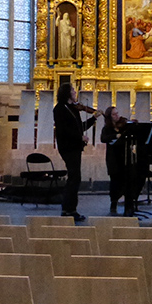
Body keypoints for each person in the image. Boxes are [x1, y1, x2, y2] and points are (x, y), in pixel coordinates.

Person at [52, 83, 97, 221]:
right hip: (68, 147)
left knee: (75, 177)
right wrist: (80, 137)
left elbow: (79, 127)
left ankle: (69, 208)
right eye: (72, 90)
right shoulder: (59, 109)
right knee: (74, 177)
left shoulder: (73, 108)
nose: (74, 92)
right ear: (66, 93)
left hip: (75, 146)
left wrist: (94, 118)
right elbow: (63, 130)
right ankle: (69, 209)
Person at [99, 106, 137, 216]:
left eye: (117, 113)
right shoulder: (107, 128)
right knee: (115, 182)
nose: (117, 116)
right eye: (114, 114)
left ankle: (129, 205)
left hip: (125, 157)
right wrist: (116, 135)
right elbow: (103, 138)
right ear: (109, 117)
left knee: (128, 180)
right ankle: (113, 202)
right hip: (113, 159)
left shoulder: (124, 125)